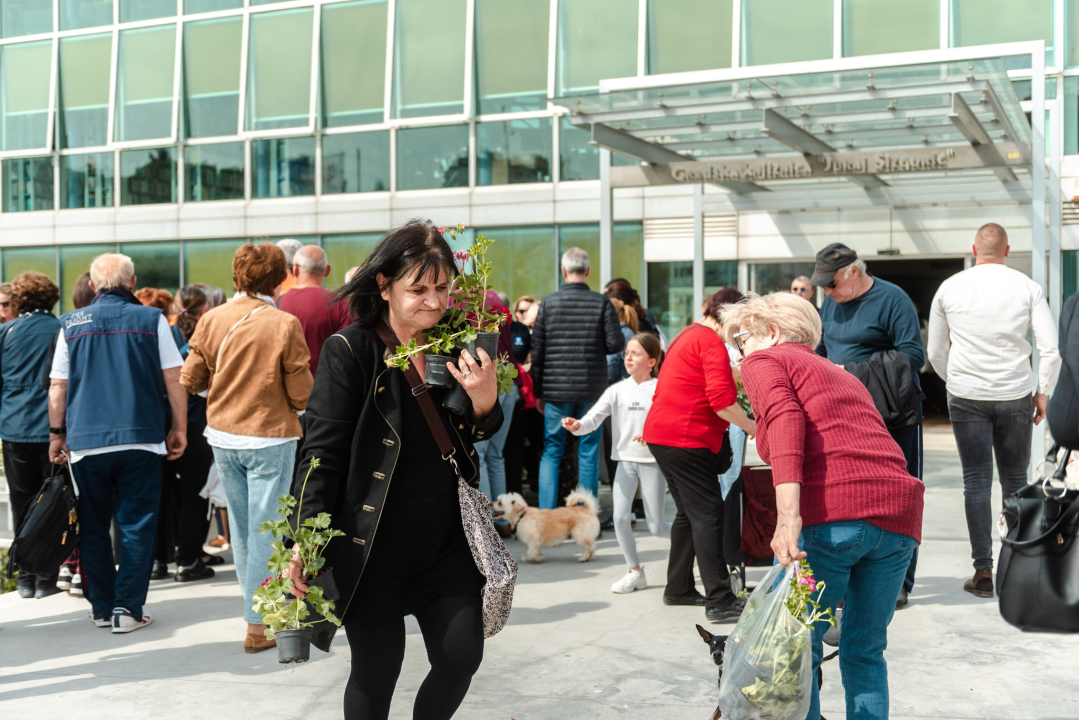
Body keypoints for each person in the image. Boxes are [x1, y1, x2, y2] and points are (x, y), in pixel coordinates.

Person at [285, 220, 503, 720]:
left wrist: (486, 402)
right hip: (371, 543)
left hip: (445, 540)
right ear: (383, 286)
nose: (434, 301)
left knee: (461, 656)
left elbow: (475, 431)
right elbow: (321, 454)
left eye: (443, 287)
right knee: (377, 670)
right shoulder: (350, 350)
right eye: (418, 289)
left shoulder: (456, 343)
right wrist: (304, 539)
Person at [722, 292, 924, 720]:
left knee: (797, 648)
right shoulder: (838, 373)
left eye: (741, 340)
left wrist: (787, 518)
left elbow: (785, 421)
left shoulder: (765, 361)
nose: (738, 354)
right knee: (865, 648)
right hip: (898, 517)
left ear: (771, 332)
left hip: (833, 517)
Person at [180, 243, 313, 653]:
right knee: (268, 531)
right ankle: (259, 624)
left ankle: (255, 614)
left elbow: (191, 378)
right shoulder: (284, 323)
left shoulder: (212, 318)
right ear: (279, 277)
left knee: (241, 531)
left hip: (223, 435)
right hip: (270, 435)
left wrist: (221, 391)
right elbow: (302, 392)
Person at [47, 253, 188, 633]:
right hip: (141, 438)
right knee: (137, 526)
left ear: (93, 285)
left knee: (92, 526)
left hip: (86, 441)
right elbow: (175, 378)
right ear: (132, 281)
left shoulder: (70, 323)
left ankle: (101, 607)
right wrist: (179, 428)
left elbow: (58, 386)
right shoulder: (152, 319)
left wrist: (56, 434)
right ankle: (126, 610)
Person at [926, 223, 1060, 598]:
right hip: (1015, 393)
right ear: (1007, 250)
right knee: (1015, 480)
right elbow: (1050, 350)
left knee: (976, 480)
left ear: (974, 250)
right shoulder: (1027, 287)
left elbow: (935, 350)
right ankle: (1015, 570)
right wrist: (1043, 392)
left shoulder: (949, 287)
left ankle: (982, 571)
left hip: (966, 394)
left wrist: (956, 380)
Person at [810, 242, 925, 609]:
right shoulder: (831, 303)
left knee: (900, 497)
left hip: (893, 415)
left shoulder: (893, 299)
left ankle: (899, 581)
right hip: (847, 415)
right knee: (855, 497)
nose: (827, 292)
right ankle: (855, 579)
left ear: (854, 272)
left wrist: (852, 372)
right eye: (823, 286)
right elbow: (822, 351)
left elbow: (914, 355)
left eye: (831, 284)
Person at [642, 288, 756, 623]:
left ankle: (678, 587)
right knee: (709, 514)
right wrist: (753, 426)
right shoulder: (710, 342)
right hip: (685, 438)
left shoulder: (687, 335)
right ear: (729, 315)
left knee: (688, 514)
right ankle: (720, 599)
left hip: (663, 435)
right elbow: (721, 403)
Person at [562, 333, 670, 594]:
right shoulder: (617, 390)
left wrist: (653, 433)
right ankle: (635, 572)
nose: (628, 358)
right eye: (626, 353)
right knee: (620, 519)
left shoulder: (661, 389)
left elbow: (672, 421)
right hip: (625, 462)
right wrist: (577, 426)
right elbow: (591, 420)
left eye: (636, 354)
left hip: (652, 462)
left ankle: (698, 541)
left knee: (656, 526)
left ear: (652, 361)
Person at [530, 248, 624, 508]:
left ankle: (547, 514)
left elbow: (537, 352)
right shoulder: (601, 303)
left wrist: (539, 392)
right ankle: (586, 515)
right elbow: (615, 343)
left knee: (552, 450)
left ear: (563, 271)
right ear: (588, 270)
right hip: (592, 389)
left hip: (556, 390)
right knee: (588, 451)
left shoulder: (548, 303)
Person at [151, 286, 218, 583]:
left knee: (159, 493)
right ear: (205, 309)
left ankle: (158, 559)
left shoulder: (161, 334)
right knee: (195, 493)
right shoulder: (206, 336)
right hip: (197, 425)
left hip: (161, 423)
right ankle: (189, 559)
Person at [2, 272, 63, 599]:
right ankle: (46, 576)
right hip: (54, 429)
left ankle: (25, 576)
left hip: (14, 427)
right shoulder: (61, 329)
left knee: (21, 502)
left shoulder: (7, 331)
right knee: (54, 502)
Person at [473, 290, 519, 531]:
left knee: (480, 453)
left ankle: (488, 523)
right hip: (508, 379)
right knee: (495, 454)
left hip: (487, 380)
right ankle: (501, 520)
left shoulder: (461, 299)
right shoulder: (495, 298)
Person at [278, 244, 352, 377]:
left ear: (295, 269)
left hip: (289, 384)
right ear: (327, 270)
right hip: (328, 384)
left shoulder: (278, 303)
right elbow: (348, 351)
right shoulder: (342, 304)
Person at [709, 287, 748, 500]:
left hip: (734, 415)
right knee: (727, 475)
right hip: (724, 414)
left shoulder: (739, 342)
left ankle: (729, 511)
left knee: (731, 475)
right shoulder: (716, 343)